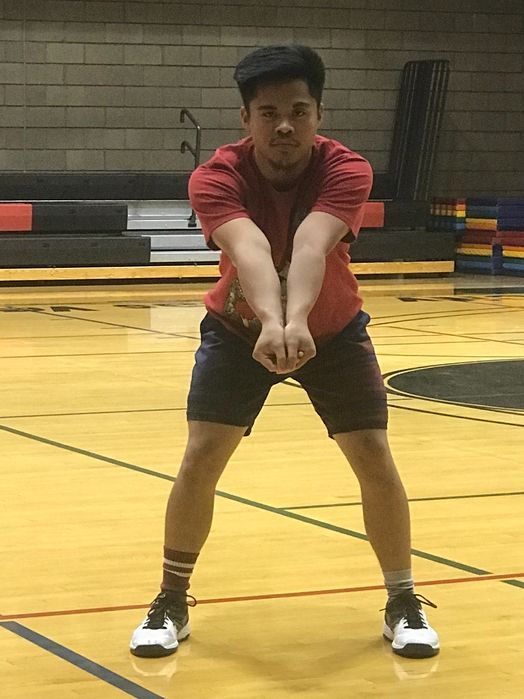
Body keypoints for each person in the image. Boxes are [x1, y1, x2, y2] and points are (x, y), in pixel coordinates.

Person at [130, 44, 439, 660]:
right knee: (201, 456)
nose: (285, 126)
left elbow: (310, 246)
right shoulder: (215, 176)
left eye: (299, 110)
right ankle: (170, 598)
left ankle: (403, 600)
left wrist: (296, 320)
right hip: (239, 329)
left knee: (373, 453)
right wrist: (272, 322)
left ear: (319, 113)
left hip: (333, 329)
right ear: (245, 120)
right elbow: (247, 251)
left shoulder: (346, 168)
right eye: (268, 112)